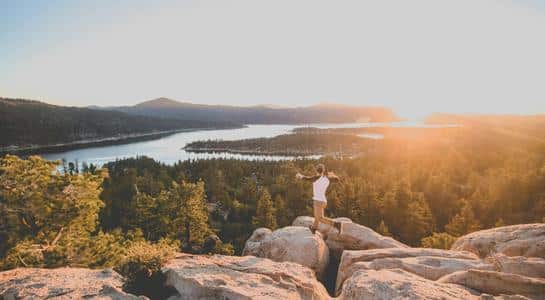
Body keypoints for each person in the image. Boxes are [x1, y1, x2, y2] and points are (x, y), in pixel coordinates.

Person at [296, 163, 343, 234]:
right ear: (323, 170)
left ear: (316, 170)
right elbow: (337, 179)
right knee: (317, 216)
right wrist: (332, 175)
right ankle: (314, 228)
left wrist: (300, 176)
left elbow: (307, 178)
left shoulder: (316, 178)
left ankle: (336, 224)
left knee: (320, 218)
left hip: (318, 200)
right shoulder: (327, 178)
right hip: (323, 200)